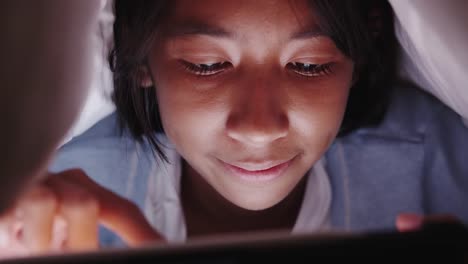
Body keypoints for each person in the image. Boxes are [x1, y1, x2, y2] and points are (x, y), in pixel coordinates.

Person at [1, 0, 467, 257]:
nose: (260, 129)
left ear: (358, 55)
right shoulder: (47, 198)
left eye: (308, 65)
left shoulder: (448, 170)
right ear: (138, 54)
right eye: (207, 65)